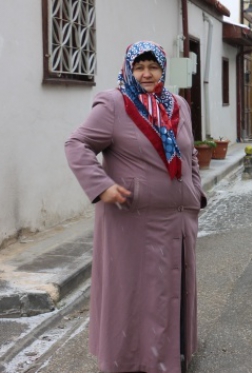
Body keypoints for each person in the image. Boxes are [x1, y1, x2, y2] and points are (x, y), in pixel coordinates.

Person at [65, 41, 207, 372]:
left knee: (172, 291)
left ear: (162, 70)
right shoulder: (114, 103)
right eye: (140, 67)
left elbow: (190, 153)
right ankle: (133, 361)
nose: (146, 73)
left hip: (178, 219)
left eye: (153, 67)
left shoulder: (178, 105)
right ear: (129, 69)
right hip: (134, 221)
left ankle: (172, 357)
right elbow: (77, 144)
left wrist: (195, 192)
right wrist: (102, 187)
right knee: (139, 296)